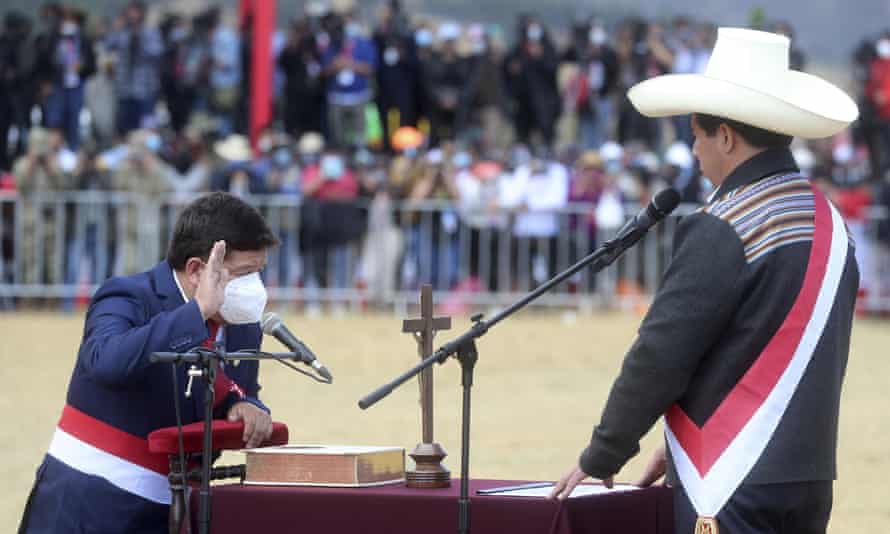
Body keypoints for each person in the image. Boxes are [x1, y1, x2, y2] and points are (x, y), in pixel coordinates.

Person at [550, 28, 860, 534]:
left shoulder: (725, 222)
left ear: (727, 137)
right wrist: (680, 445)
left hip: (731, 479)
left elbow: (662, 351)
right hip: (808, 475)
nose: (693, 150)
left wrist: (604, 452)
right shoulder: (830, 221)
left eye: (696, 134)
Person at [19, 192, 279, 532]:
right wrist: (195, 313)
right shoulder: (127, 295)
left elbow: (238, 391)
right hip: (88, 502)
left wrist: (245, 406)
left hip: (178, 507)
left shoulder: (243, 327)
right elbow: (106, 361)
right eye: (244, 274)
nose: (255, 288)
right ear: (197, 270)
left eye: (259, 273)